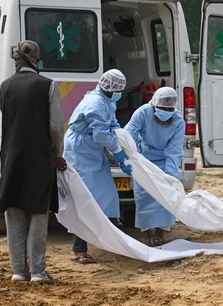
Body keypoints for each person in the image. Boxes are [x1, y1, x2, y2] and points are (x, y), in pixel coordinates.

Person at [0, 40, 66, 282]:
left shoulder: (4, 87)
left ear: (16, 60)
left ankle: (18, 272)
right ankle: (37, 271)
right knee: (37, 213)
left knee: (14, 215)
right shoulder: (48, 86)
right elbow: (55, 128)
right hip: (39, 159)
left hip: (11, 159)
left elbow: (10, 118)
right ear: (36, 58)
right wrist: (56, 154)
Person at [63, 69, 132, 264]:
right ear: (110, 88)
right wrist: (117, 152)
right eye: (118, 89)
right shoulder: (95, 103)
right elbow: (100, 134)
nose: (119, 93)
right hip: (80, 152)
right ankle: (79, 250)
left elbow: (111, 124)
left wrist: (123, 139)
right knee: (83, 198)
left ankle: (110, 242)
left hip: (92, 151)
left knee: (107, 195)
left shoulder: (107, 100)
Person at [124, 87, 185, 246]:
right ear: (154, 105)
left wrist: (170, 175)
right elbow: (128, 133)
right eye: (162, 108)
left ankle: (160, 232)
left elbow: (174, 150)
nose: (166, 112)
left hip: (165, 159)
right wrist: (135, 154)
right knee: (143, 195)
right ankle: (145, 231)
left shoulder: (178, 121)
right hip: (144, 158)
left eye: (169, 109)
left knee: (166, 195)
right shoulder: (143, 112)